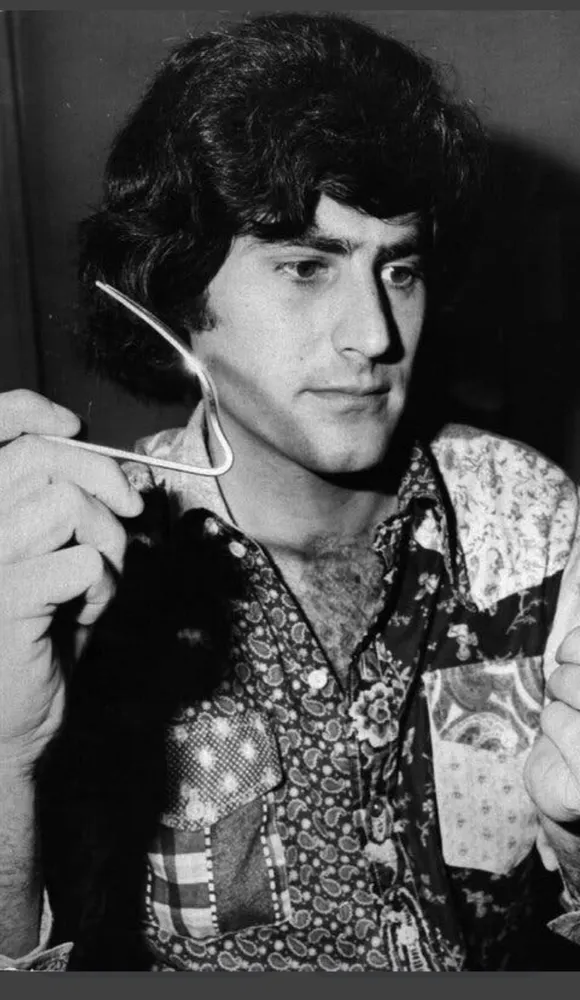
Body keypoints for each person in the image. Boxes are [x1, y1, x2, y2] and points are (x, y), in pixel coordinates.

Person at [1, 11, 580, 973]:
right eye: (307, 268)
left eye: (400, 268)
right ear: (180, 294)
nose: (375, 335)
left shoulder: (532, 518)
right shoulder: (80, 564)